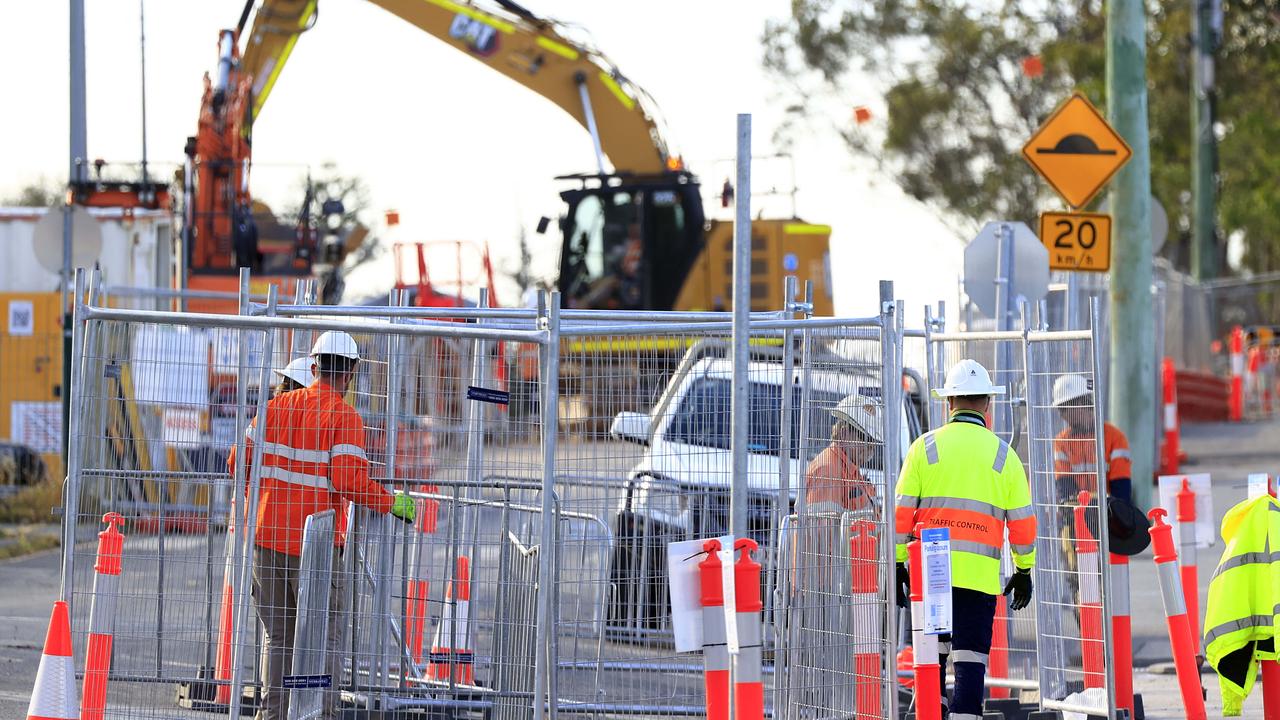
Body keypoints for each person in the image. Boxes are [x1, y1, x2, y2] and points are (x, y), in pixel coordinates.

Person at [229, 330, 416, 720]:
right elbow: (348, 480)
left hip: (266, 540)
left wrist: (264, 500)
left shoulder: (272, 408)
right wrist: (391, 501)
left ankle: (276, 714)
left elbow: (236, 464)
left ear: (314, 367)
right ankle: (317, 714)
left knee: (278, 638)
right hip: (314, 547)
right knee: (322, 639)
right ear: (350, 373)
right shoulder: (344, 416)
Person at [894, 359, 1036, 720]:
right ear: (988, 404)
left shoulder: (924, 449)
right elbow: (1022, 524)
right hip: (977, 582)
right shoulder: (1005, 456)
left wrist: (897, 563)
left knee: (932, 665)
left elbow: (900, 515)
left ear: (948, 403)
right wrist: (1023, 569)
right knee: (970, 665)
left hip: (931, 580)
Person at [1050, 374, 1132, 504]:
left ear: (1080, 403)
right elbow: (1065, 488)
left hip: (1111, 515)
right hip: (1077, 514)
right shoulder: (1061, 442)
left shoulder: (1115, 438)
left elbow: (1121, 492)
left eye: (1063, 408)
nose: (1061, 415)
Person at [803, 394, 882, 515]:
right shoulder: (829, 472)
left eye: (873, 440)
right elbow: (822, 531)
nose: (870, 446)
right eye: (864, 438)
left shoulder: (849, 469)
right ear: (844, 433)